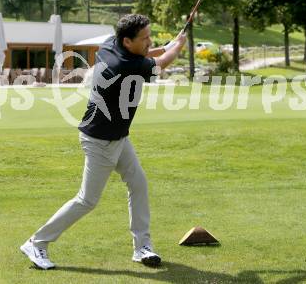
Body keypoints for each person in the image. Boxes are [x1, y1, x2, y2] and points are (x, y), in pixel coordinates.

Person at [20, 14, 187, 269]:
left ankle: (142, 247)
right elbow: (160, 63)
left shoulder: (111, 44)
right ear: (128, 41)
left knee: (138, 183)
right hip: (100, 140)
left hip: (116, 137)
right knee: (87, 200)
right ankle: (37, 242)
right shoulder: (126, 66)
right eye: (145, 38)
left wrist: (166, 44)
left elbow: (151, 53)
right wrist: (178, 45)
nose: (149, 41)